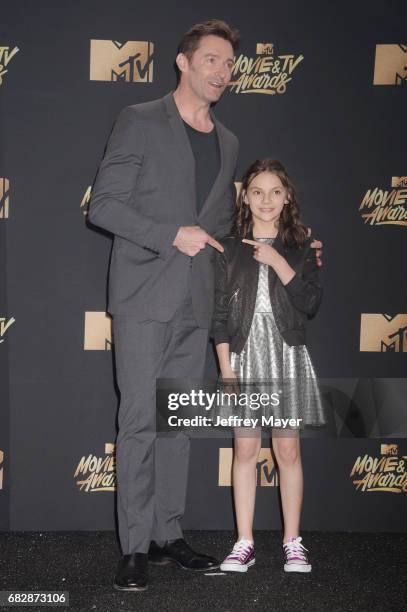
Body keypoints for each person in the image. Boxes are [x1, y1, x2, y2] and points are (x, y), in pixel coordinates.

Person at [88, 20, 241, 592]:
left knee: (176, 425)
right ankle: (133, 545)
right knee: (138, 422)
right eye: (211, 60)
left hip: (196, 301)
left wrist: (283, 247)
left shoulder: (228, 141)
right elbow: (103, 205)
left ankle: (166, 534)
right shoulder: (139, 120)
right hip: (144, 295)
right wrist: (167, 234)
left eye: (228, 64)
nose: (222, 71)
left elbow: (222, 228)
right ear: (183, 62)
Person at [212, 158, 326, 574]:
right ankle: (244, 542)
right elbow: (218, 315)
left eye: (275, 191)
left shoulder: (302, 246)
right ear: (246, 196)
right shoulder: (227, 246)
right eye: (257, 191)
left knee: (287, 450)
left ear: (287, 196)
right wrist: (226, 368)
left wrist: (278, 261)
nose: (266, 200)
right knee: (244, 449)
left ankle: (292, 542)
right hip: (243, 355)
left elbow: (310, 303)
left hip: (287, 354)